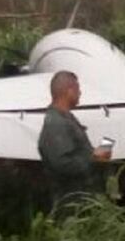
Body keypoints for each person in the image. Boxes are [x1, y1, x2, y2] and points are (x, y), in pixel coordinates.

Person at [37, 71, 111, 211]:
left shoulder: (65, 119)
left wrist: (99, 155)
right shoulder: (56, 124)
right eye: (78, 89)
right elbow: (62, 163)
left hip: (84, 203)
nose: (80, 93)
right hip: (73, 208)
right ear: (69, 91)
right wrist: (94, 157)